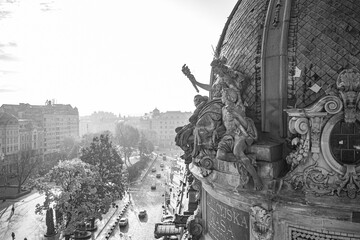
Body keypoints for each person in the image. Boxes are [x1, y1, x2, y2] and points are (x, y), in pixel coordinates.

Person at [216, 88, 263, 190]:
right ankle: (248, 159)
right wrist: (217, 131)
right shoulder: (223, 109)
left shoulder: (238, 108)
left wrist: (236, 115)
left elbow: (245, 124)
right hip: (228, 135)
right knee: (220, 155)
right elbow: (225, 125)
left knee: (237, 152)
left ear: (228, 97)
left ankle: (256, 178)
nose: (221, 98)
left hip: (239, 134)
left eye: (223, 95)